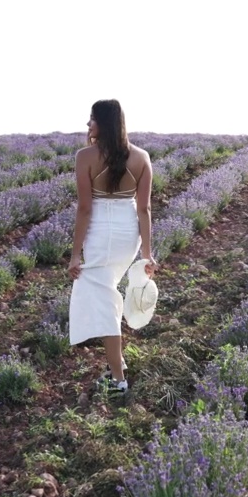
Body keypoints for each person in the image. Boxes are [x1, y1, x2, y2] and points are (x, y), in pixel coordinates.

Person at [68, 99, 157, 394]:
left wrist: (75, 253)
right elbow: (144, 209)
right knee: (107, 292)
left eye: (91, 119)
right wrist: (146, 253)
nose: (88, 124)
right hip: (127, 234)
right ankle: (117, 363)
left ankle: (118, 380)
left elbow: (84, 209)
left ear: (103, 123)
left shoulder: (86, 156)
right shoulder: (142, 157)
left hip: (100, 234)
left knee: (102, 299)